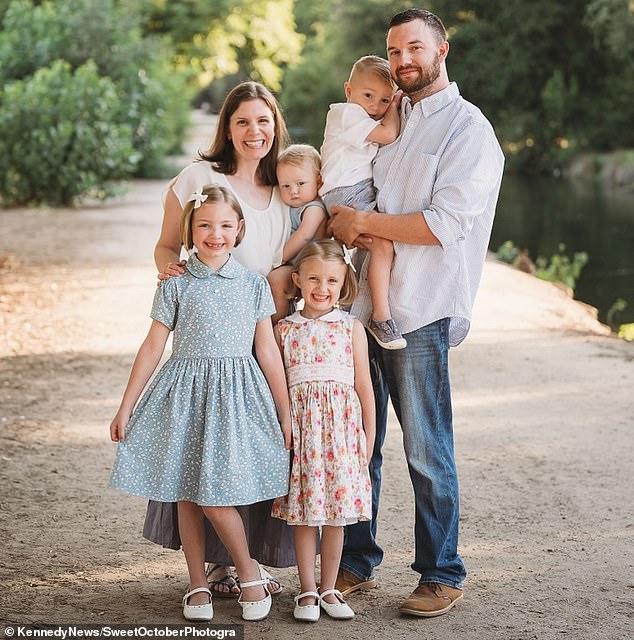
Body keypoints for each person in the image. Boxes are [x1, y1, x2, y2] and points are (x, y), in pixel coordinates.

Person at [328, 8, 505, 618]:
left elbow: (445, 224)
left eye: (414, 48)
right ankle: (354, 562)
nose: (403, 59)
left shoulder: (467, 130)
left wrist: (363, 224)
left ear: (442, 49)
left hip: (420, 312)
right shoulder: (391, 119)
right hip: (359, 311)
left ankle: (442, 572)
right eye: (394, 50)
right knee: (357, 443)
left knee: (426, 449)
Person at [110, 185, 292, 622]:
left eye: (226, 226)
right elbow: (153, 346)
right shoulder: (176, 283)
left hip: (236, 400)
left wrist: (285, 413)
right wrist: (126, 405)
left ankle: (247, 572)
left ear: (240, 230)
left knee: (216, 494)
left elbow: (266, 351)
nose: (216, 234)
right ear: (191, 229)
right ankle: (196, 584)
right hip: (186, 395)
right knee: (186, 493)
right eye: (205, 225)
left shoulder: (253, 285)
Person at [147, 80, 294, 598]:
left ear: (275, 127)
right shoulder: (200, 177)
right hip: (211, 336)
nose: (254, 132)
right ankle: (216, 567)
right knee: (204, 451)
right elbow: (168, 243)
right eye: (242, 122)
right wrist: (175, 275)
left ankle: (243, 559)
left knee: (253, 453)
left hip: (267, 333)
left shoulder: (286, 188)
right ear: (226, 128)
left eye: (263, 121)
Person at [270, 239, 375, 622]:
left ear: (343, 282)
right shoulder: (283, 330)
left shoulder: (351, 328)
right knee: (305, 514)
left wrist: (369, 434)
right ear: (297, 280)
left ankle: (330, 587)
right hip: (303, 435)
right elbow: (277, 385)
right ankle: (308, 591)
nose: (322, 288)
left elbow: (364, 386)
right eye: (313, 278)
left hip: (342, 436)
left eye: (332, 280)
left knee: (336, 515)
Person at [319, 55, 406, 350]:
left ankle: (349, 308)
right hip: (347, 192)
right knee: (383, 245)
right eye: (368, 96)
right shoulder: (346, 114)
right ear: (348, 91)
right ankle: (380, 318)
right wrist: (395, 105)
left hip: (354, 190)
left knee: (374, 247)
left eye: (383, 100)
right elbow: (389, 134)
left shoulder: (359, 116)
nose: (375, 106)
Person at [268, 144, 328, 323]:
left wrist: (280, 258)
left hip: (311, 264)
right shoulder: (296, 207)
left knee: (276, 279)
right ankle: (285, 313)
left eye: (300, 184)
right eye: (285, 186)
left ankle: (277, 324)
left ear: (318, 181)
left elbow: (305, 235)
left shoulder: (314, 208)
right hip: (297, 264)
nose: (293, 191)